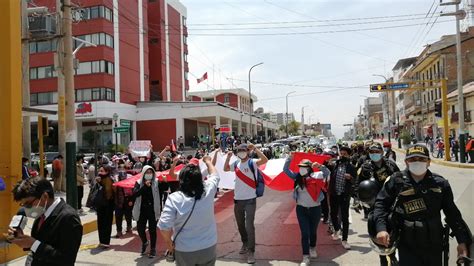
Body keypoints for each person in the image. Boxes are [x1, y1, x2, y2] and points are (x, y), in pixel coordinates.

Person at [373, 144, 472, 266]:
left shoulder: (440, 184)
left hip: (434, 245)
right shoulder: (396, 181)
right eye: (413, 159)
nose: (417, 162)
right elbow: (381, 205)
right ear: (406, 162)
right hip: (407, 245)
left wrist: (461, 241)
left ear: (429, 162)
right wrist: (381, 229)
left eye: (421, 159)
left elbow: (453, 214)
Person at [158, 154, 219, 266]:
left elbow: (164, 227)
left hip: (185, 250)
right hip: (208, 246)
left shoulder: (174, 198)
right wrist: (208, 161)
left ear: (181, 180)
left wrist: (169, 244)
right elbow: (215, 175)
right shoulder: (209, 190)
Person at [9, 177, 83, 265]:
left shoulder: (69, 218)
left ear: (44, 196)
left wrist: (33, 244)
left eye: (28, 204)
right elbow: (42, 242)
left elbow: (66, 259)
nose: (25, 208)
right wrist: (23, 240)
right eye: (23, 204)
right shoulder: (42, 212)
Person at [224, 143, 268, 264]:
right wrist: (228, 157)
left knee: (249, 225)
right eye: (239, 151)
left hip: (250, 200)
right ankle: (244, 242)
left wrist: (255, 148)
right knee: (240, 225)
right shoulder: (236, 164)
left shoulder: (252, 162)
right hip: (238, 200)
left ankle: (251, 251)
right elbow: (226, 169)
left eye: (243, 150)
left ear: (247, 152)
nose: (241, 153)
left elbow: (265, 160)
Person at [357, 143, 400, 265]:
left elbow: (401, 178)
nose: (374, 154)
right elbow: (358, 184)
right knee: (378, 231)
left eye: (377, 151)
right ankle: (383, 259)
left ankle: (393, 255)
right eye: (372, 152)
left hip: (392, 201)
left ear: (381, 152)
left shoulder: (391, 164)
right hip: (375, 204)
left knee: (394, 229)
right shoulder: (365, 167)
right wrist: (359, 199)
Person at [283, 156, 330, 266]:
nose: (301, 169)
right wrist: (289, 158)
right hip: (301, 209)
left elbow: (327, 173)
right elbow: (285, 170)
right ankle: (305, 257)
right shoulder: (297, 177)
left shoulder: (316, 176)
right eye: (300, 167)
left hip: (315, 209)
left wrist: (319, 166)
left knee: (313, 232)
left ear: (309, 168)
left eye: (304, 167)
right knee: (305, 233)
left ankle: (312, 248)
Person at [327, 146, 356, 250]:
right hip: (334, 194)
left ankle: (345, 240)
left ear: (348, 155)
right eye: (341, 154)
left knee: (344, 217)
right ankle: (337, 229)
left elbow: (355, 181)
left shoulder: (351, 167)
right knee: (333, 214)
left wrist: (351, 178)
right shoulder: (335, 165)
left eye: (344, 154)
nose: (342, 156)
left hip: (344, 195)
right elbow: (326, 166)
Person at [132, 165, 160, 258]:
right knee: (140, 229)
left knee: (152, 230)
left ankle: (153, 249)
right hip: (141, 210)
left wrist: (165, 182)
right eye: (147, 172)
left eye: (150, 172)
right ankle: (144, 242)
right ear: (143, 173)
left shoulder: (156, 182)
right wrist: (144, 186)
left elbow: (164, 189)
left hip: (152, 210)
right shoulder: (138, 182)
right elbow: (135, 194)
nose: (149, 174)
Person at [95, 165, 115, 248]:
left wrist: (100, 183)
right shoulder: (100, 179)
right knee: (100, 223)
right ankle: (101, 241)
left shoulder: (109, 179)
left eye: (102, 171)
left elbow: (108, 193)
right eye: (99, 170)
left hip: (108, 204)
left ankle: (106, 242)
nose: (100, 172)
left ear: (107, 171)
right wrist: (98, 183)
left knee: (106, 223)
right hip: (100, 204)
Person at [114, 163, 133, 238]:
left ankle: (129, 227)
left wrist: (132, 199)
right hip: (118, 199)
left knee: (128, 214)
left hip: (128, 198)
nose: (121, 170)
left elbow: (133, 189)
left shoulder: (130, 177)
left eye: (123, 168)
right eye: (120, 169)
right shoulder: (116, 177)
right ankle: (119, 231)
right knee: (118, 216)